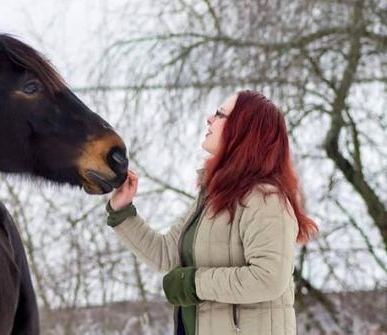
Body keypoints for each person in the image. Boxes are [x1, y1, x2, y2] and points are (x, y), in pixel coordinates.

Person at [106, 90, 318, 335]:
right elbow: (166, 254)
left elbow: (268, 279)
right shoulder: (213, 197)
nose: (209, 118)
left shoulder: (265, 199)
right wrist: (122, 211)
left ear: (242, 130)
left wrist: (194, 284)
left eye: (220, 114)